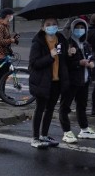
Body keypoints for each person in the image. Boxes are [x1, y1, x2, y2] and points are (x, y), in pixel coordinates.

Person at [28, 18, 70, 148]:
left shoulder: (61, 40)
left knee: (50, 109)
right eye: (48, 25)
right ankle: (35, 138)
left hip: (57, 81)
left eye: (54, 25)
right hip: (42, 81)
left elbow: (64, 61)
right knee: (40, 109)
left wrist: (70, 53)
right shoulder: (38, 42)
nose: (52, 27)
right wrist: (50, 57)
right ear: (42, 27)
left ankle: (44, 135)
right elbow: (33, 64)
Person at [60, 19, 95, 143]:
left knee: (82, 106)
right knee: (65, 107)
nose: (79, 30)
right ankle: (67, 132)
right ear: (72, 29)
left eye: (82, 28)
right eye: (77, 27)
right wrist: (78, 62)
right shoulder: (67, 44)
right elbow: (63, 63)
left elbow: (92, 56)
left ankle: (84, 129)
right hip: (71, 81)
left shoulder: (86, 43)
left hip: (84, 80)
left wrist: (92, 62)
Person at [0, 8, 19, 81]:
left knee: (4, 75)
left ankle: (1, 91)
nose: (12, 17)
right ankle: (0, 91)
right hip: (0, 54)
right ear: (8, 16)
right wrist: (11, 40)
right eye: (11, 15)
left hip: (5, 53)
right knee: (1, 76)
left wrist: (12, 39)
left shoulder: (5, 26)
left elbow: (5, 39)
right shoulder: (0, 26)